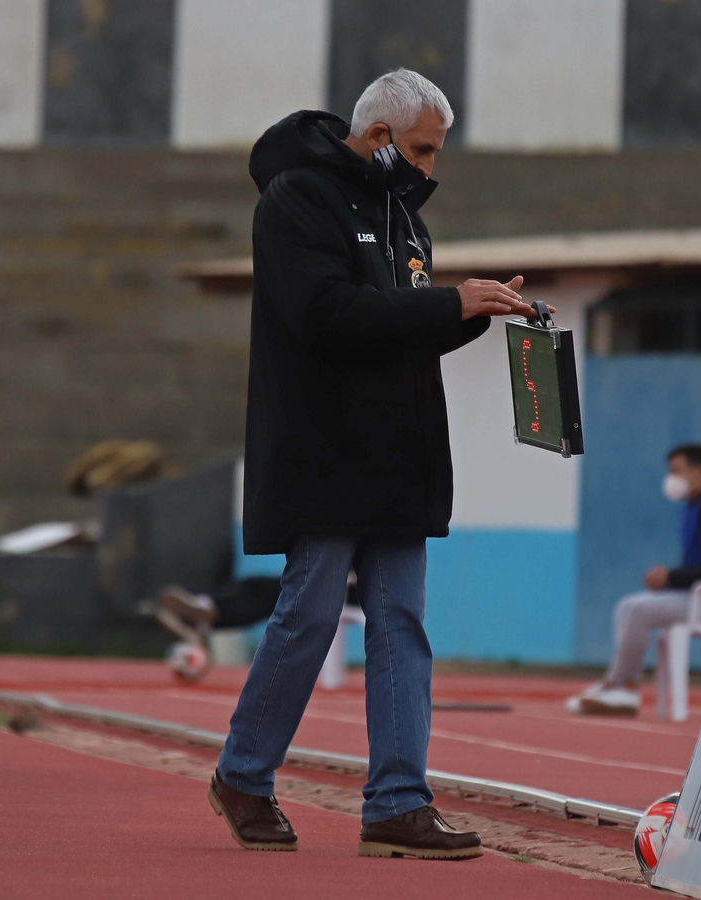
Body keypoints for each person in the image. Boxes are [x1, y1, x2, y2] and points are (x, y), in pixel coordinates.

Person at [208, 69, 538, 859]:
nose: (431, 167)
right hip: (326, 451)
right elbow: (324, 316)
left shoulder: (404, 220)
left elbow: (403, 326)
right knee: (312, 614)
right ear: (381, 135)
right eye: (423, 149)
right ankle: (243, 774)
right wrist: (448, 304)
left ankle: (397, 804)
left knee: (401, 626)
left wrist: (477, 313)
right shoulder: (295, 202)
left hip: (400, 456)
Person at [567, 444, 701, 717]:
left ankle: (622, 688)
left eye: (676, 471)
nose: (670, 478)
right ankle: (621, 685)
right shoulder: (700, 504)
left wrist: (669, 577)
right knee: (627, 606)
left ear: (698, 472)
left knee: (637, 609)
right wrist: (669, 579)